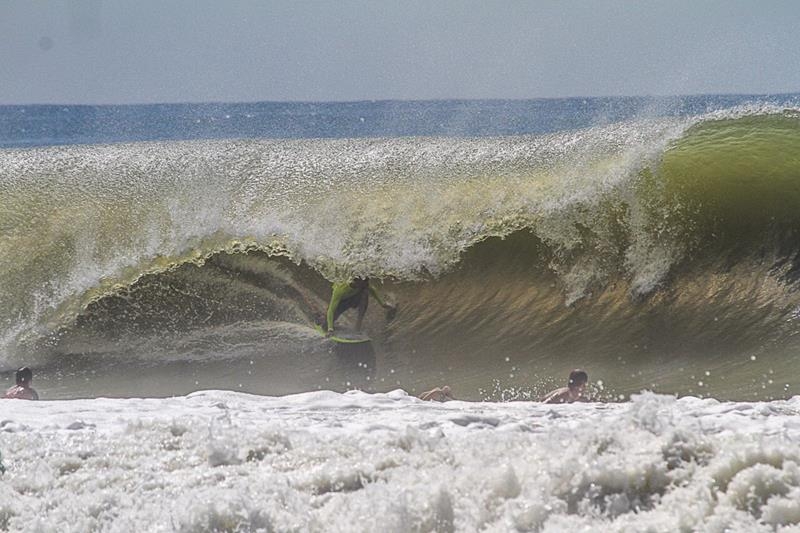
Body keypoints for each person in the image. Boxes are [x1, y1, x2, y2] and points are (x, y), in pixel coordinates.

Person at [323, 277, 396, 335]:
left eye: (367, 282)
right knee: (326, 325)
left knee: (364, 294)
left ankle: (357, 326)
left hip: (354, 300)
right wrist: (330, 329)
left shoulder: (363, 285)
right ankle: (324, 322)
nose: (367, 284)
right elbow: (331, 310)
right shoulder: (341, 289)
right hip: (342, 302)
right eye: (365, 283)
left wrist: (382, 304)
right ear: (356, 282)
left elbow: (373, 290)